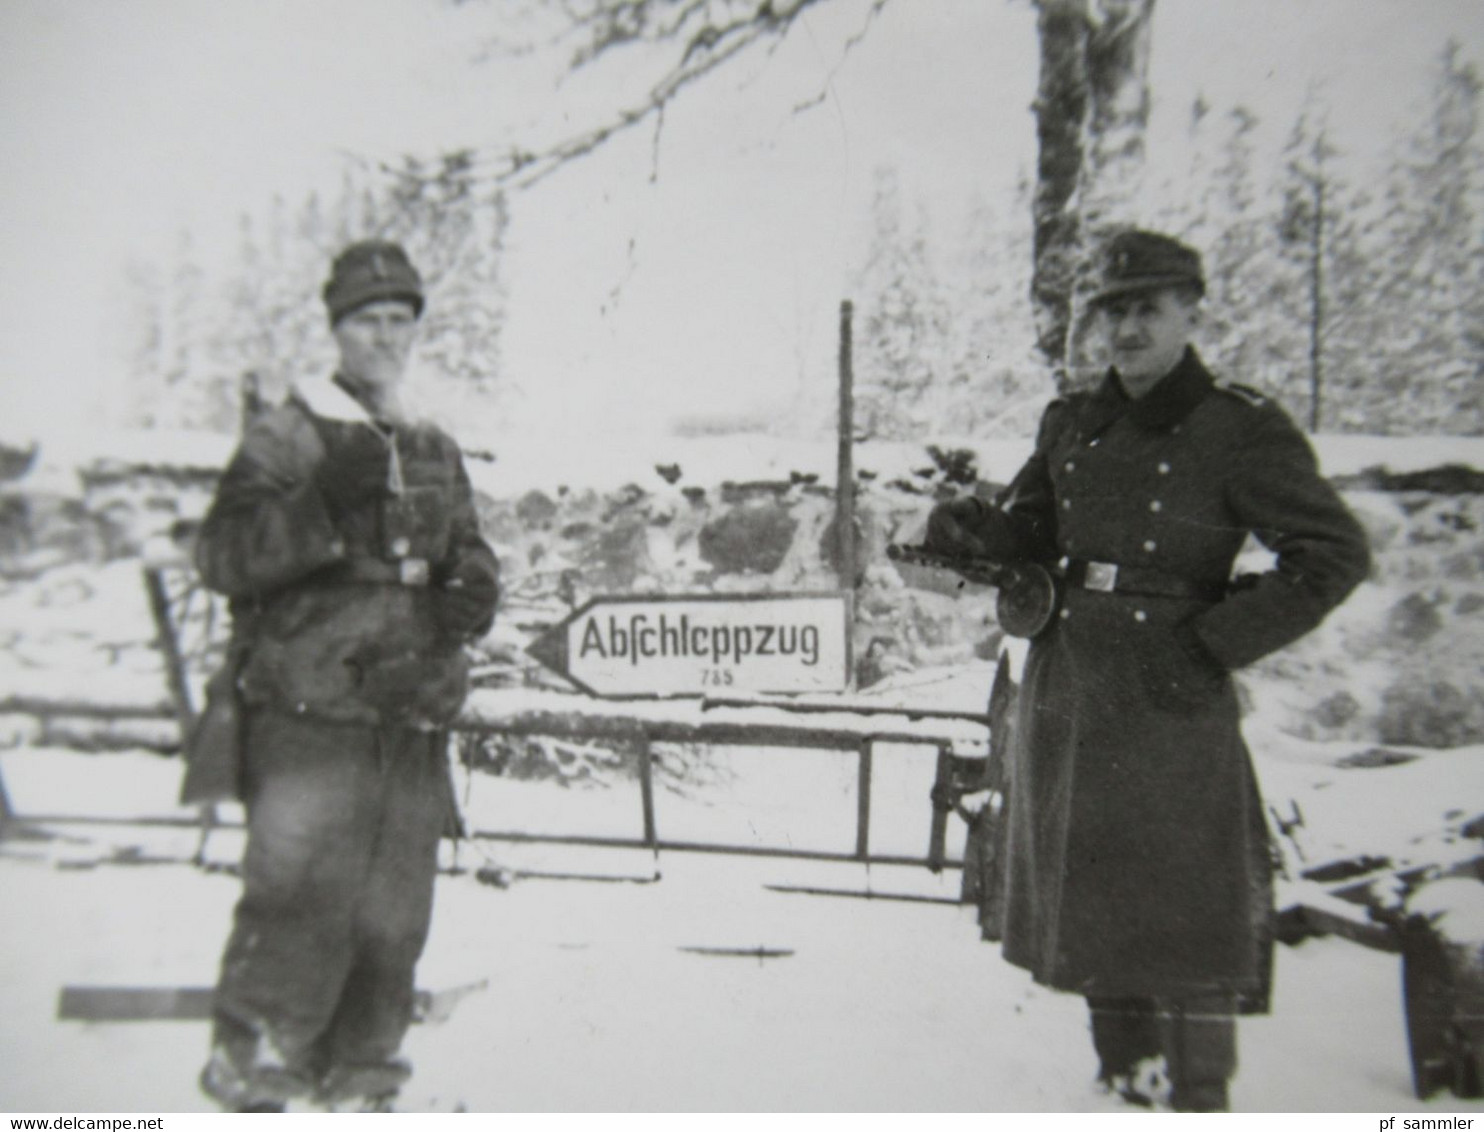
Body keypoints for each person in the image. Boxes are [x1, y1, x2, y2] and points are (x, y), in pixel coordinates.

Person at [924, 229, 1371, 1112]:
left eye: (1149, 309)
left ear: (1190, 312)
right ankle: (1125, 1078)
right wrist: (975, 529)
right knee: (1089, 879)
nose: (1128, 329)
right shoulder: (1074, 421)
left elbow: (1332, 553)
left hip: (1173, 689)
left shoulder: (1239, 427)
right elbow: (1036, 530)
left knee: (1188, 888)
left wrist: (1211, 645)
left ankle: (1201, 1093)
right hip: (1074, 682)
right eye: (1114, 311)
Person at [190, 240, 500, 1111]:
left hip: (410, 702)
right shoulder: (288, 433)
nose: (386, 337)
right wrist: (319, 500)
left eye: (401, 320)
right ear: (337, 330)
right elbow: (221, 557)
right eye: (369, 320)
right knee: (299, 889)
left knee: (396, 905)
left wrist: (471, 591)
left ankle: (365, 1066)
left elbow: (466, 548)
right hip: (309, 704)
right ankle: (258, 1060)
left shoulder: (432, 437)